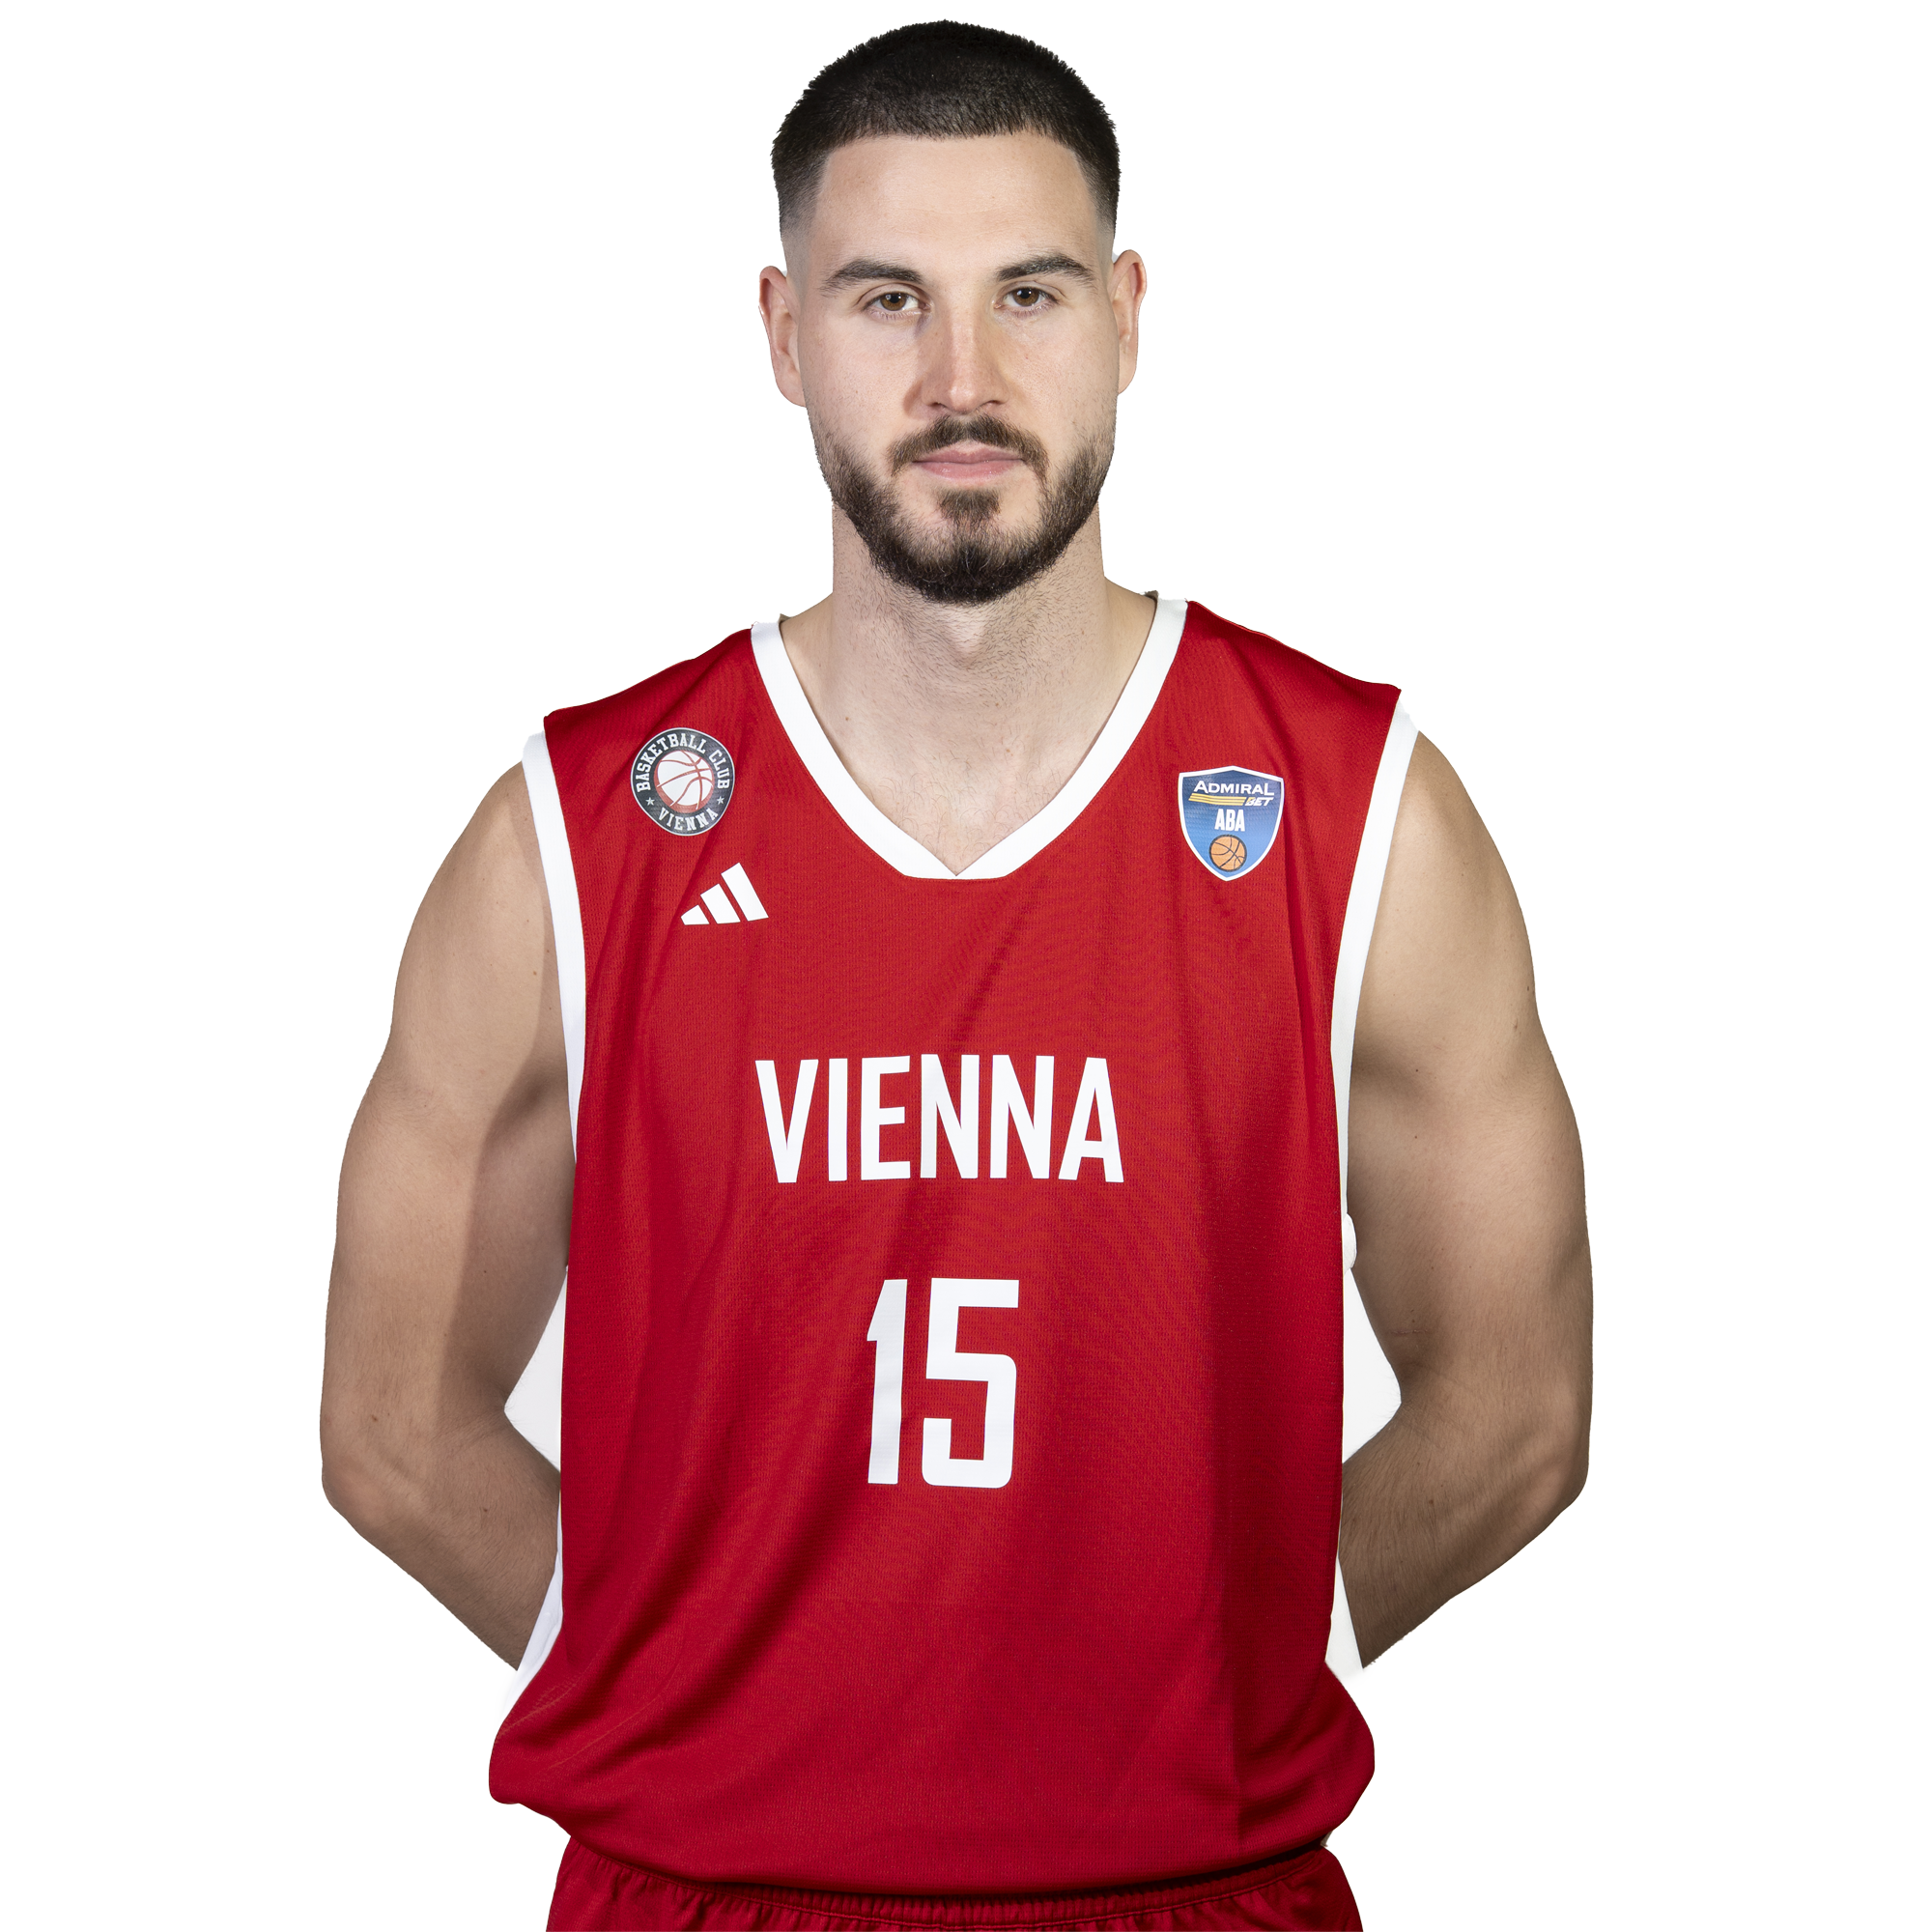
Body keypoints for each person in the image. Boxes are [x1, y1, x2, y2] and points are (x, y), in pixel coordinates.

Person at [322, 21, 1590, 1931]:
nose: (962, 379)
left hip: (1200, 1887)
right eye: (886, 297)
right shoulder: (578, 835)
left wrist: (1236, 1650)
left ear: (1127, 319)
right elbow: (385, 1420)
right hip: (703, 1890)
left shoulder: (1357, 813)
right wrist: (672, 1677)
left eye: (1030, 294)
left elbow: (1520, 1401)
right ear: (782, 332)